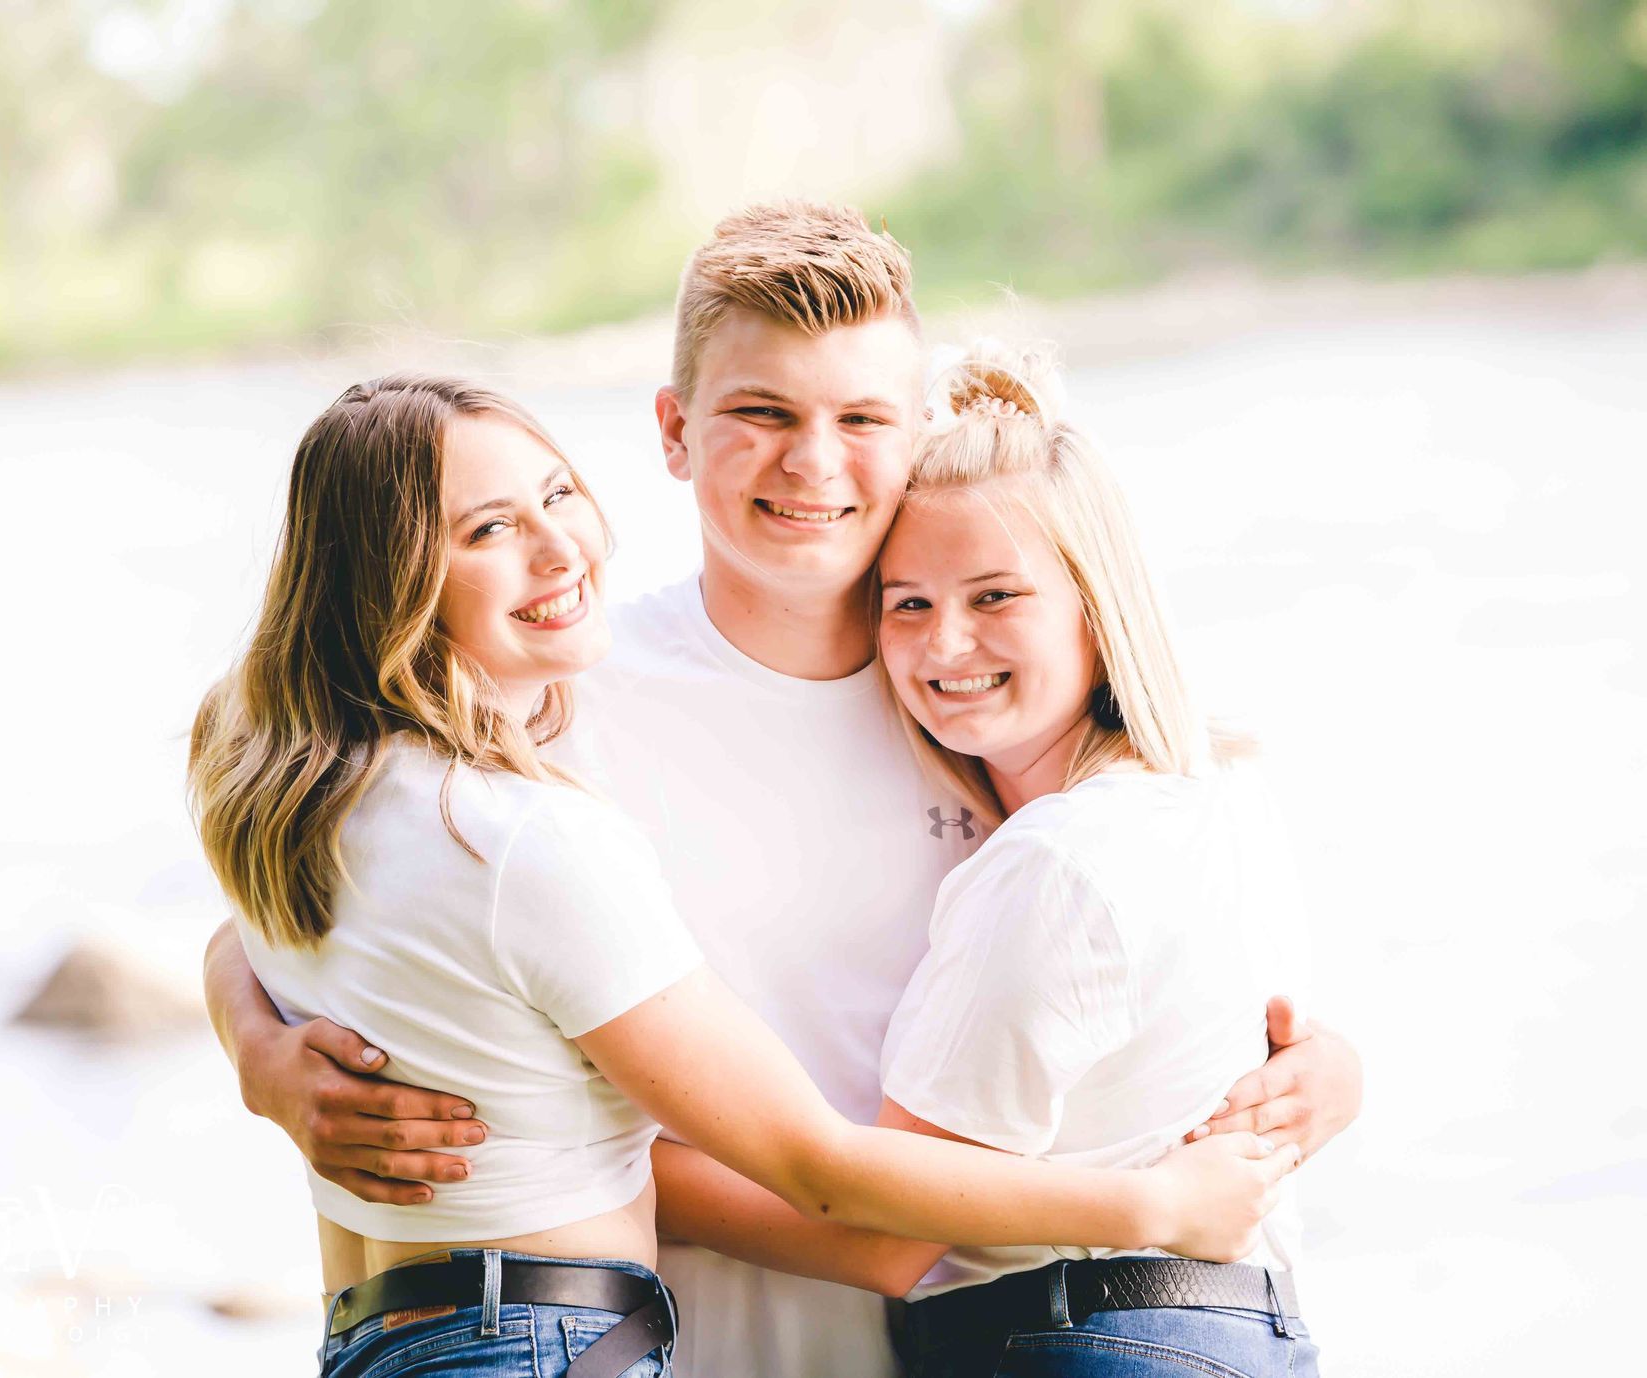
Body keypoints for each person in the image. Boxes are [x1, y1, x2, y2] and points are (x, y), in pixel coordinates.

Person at [201, 202, 1365, 1378]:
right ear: (674, 430)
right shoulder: (564, 699)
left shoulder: (985, 695)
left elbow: (1162, 963)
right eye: (761, 414)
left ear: (918, 433)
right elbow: (333, 883)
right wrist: (260, 1048)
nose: (813, 461)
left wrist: (1332, 1075)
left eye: (862, 418)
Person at [639, 344, 1325, 1375]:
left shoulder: (1054, 864)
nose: (945, 643)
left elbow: (884, 1237)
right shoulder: (1214, 794)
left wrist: (581, 1162)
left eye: (996, 597)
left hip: (1081, 1337)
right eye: (908, 603)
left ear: (1098, 605)